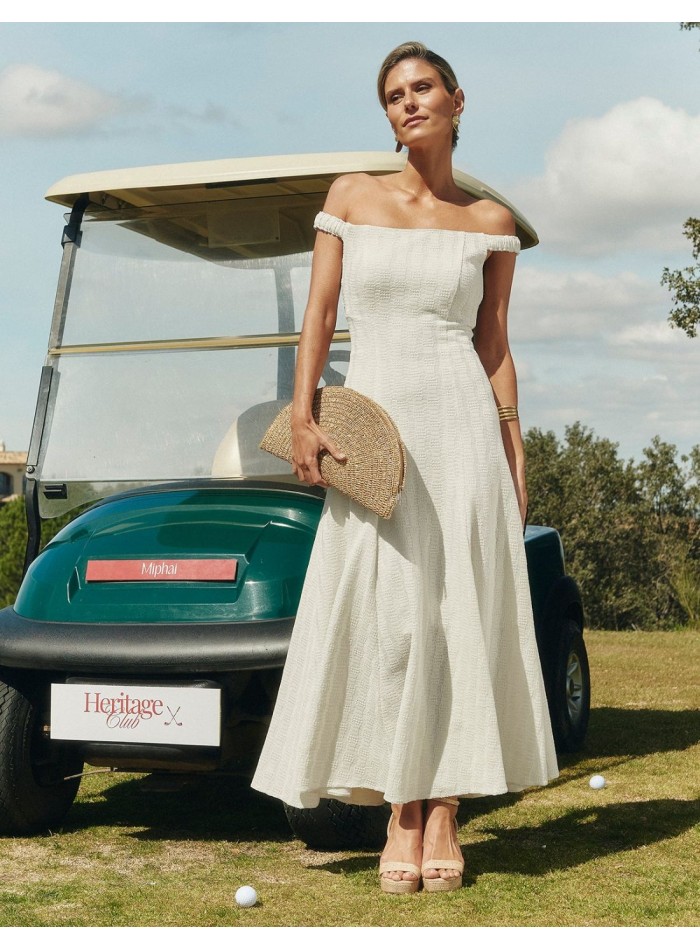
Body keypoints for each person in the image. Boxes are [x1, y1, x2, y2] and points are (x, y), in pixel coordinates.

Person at [251, 40, 559, 894]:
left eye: (423, 88)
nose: (409, 102)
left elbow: (493, 344)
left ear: (458, 101)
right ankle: (400, 808)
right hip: (376, 432)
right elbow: (319, 315)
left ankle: (445, 806)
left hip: (462, 428)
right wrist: (304, 415)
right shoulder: (352, 196)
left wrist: (513, 445)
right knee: (390, 620)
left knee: (458, 611)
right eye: (394, 95)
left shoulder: (490, 222)